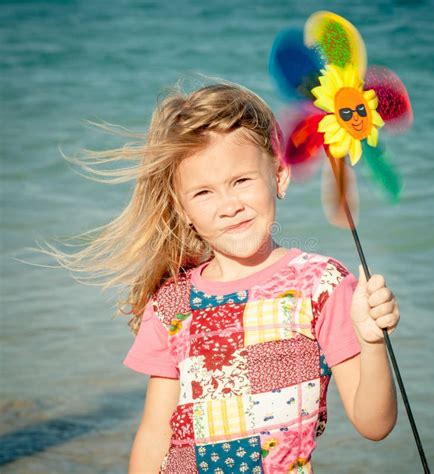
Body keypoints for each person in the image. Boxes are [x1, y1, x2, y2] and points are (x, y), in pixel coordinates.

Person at [48, 82, 398, 473]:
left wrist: (372, 341)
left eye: (241, 181)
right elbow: (153, 434)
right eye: (204, 193)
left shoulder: (321, 285)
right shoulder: (172, 304)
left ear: (279, 177)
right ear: (183, 211)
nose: (229, 206)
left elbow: (374, 424)